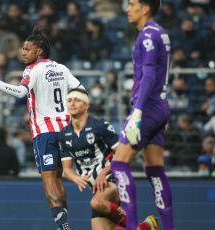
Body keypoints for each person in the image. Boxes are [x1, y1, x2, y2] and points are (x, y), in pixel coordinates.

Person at [0, 28, 84, 230]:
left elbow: (20, 92)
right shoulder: (62, 68)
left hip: (45, 133)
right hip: (67, 131)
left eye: (27, 49)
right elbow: (82, 91)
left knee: (48, 181)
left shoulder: (32, 70)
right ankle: (65, 224)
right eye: (22, 49)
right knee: (58, 179)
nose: (22, 52)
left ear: (39, 51)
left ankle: (64, 227)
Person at [110, 1, 176, 230]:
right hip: (160, 107)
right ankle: (168, 227)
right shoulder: (160, 32)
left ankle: (130, 227)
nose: (127, 8)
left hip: (146, 108)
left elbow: (147, 75)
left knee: (119, 164)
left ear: (145, 7)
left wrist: (137, 113)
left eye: (132, 4)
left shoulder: (147, 35)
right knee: (155, 169)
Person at [58, 88, 159, 230]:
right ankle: (147, 226)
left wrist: (103, 173)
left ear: (86, 105)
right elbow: (67, 169)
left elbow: (122, 155)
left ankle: (139, 226)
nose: (72, 103)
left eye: (77, 100)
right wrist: (76, 178)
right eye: (69, 100)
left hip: (113, 177)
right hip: (96, 187)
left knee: (96, 203)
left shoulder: (100, 126)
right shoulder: (63, 135)